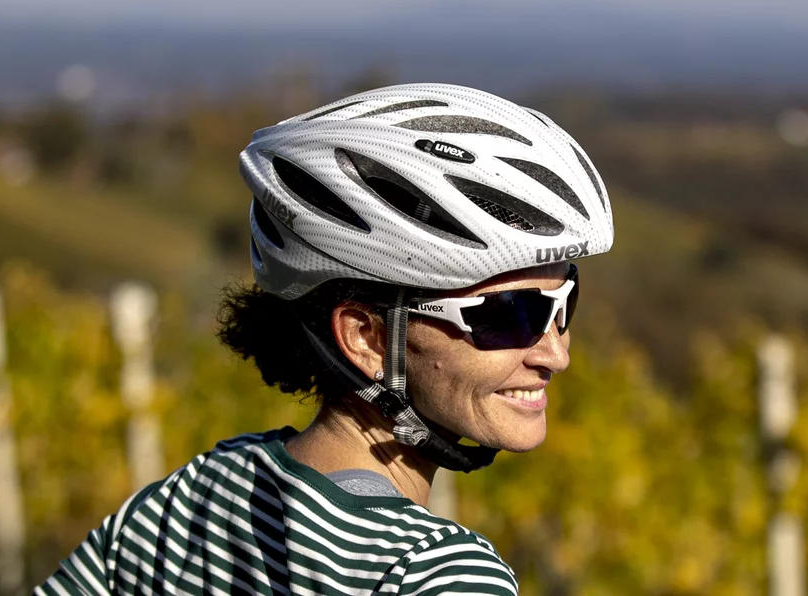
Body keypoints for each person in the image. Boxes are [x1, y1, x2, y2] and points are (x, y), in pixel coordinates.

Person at [35, 83, 614, 595]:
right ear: (363, 336)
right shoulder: (435, 574)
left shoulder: (194, 498)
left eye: (566, 304)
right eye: (509, 314)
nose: (555, 352)